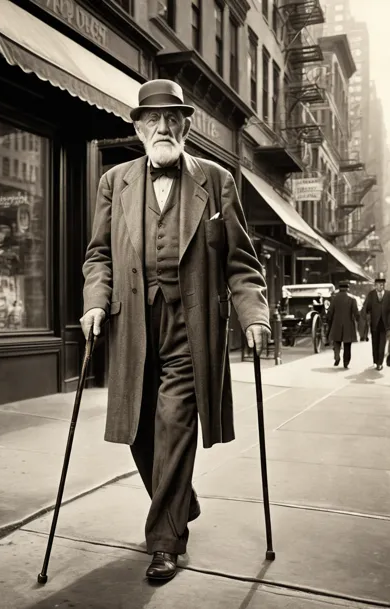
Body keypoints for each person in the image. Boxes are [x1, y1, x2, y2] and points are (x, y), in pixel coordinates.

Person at [80, 79, 271, 582]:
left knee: (175, 425)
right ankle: (180, 500)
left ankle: (164, 541)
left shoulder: (216, 180)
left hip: (191, 330)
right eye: (153, 120)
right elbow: (99, 254)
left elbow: (240, 262)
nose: (163, 127)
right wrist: (95, 303)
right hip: (133, 327)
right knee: (139, 429)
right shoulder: (114, 181)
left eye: (172, 119)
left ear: (186, 125)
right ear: (139, 127)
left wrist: (254, 315)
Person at [327, 279, 359, 369]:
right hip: (348, 325)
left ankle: (337, 356)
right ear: (347, 288)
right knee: (347, 345)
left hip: (336, 324)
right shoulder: (352, 299)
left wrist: (329, 320)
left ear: (339, 288)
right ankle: (346, 362)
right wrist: (359, 320)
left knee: (336, 342)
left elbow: (330, 312)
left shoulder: (334, 298)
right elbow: (356, 313)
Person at [362, 273, 390, 370]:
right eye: (378, 284)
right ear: (375, 285)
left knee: (382, 344)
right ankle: (375, 361)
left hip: (385, 324)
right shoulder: (371, 294)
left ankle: (380, 363)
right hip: (374, 324)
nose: (380, 286)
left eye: (382, 284)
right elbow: (366, 307)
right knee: (375, 344)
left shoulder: (388, 294)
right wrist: (365, 317)